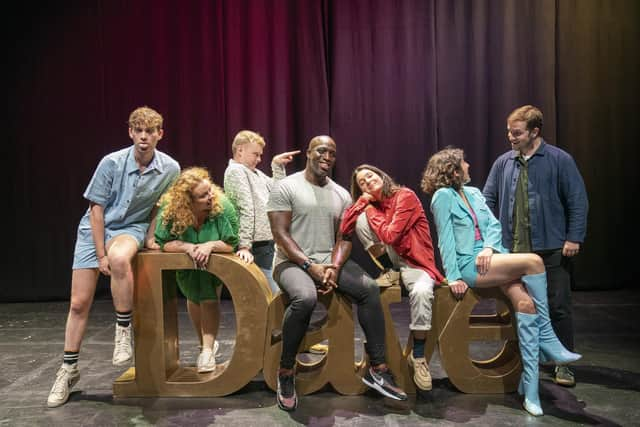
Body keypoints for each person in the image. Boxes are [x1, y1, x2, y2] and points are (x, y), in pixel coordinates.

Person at [421, 147, 581, 416]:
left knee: (525, 303)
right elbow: (445, 238)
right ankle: (548, 338)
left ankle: (530, 390)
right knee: (534, 262)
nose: (469, 165)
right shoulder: (442, 197)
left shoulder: (473, 193)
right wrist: (454, 276)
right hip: (469, 265)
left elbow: (494, 227)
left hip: (492, 259)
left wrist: (490, 249)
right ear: (453, 170)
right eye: (464, 162)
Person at [47, 106, 180, 408]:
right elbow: (96, 210)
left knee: (121, 259)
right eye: (139, 131)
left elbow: (161, 206)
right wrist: (99, 253)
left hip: (131, 227)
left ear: (160, 134)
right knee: (79, 303)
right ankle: (68, 370)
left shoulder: (170, 168)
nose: (144, 136)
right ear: (130, 132)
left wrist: (149, 236)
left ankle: (123, 330)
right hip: (95, 229)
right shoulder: (112, 162)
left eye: (150, 131)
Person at [266, 136, 408, 411]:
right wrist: (310, 266)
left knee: (368, 289)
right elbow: (280, 234)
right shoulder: (287, 186)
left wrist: (334, 268)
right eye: (321, 150)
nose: (327, 156)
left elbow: (345, 237)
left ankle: (378, 368)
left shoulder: (342, 194)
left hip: (328, 263)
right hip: (291, 263)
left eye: (332, 152)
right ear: (308, 153)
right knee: (305, 298)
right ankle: (286, 371)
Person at [483, 105, 589, 387]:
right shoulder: (504, 162)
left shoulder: (559, 160)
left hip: (551, 248)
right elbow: (487, 201)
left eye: (516, 132)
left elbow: (577, 199)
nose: (511, 137)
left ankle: (562, 364)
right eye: (509, 131)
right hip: (513, 252)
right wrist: (490, 241)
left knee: (558, 307)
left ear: (534, 131)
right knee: (519, 305)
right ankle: (526, 360)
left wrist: (573, 237)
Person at [339, 164, 444, 392]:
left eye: (370, 176)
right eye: (362, 183)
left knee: (422, 292)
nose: (367, 182)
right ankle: (389, 270)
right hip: (394, 260)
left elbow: (390, 235)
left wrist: (369, 210)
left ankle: (418, 357)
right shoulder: (370, 206)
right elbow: (345, 228)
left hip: (415, 262)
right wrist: (361, 204)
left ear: (381, 175)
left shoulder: (405, 196)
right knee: (359, 220)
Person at [155, 167, 238, 373]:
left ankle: (208, 351)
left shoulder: (222, 208)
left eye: (210, 191)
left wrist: (210, 245)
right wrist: (187, 247)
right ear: (188, 201)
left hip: (214, 262)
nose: (210, 197)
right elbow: (164, 242)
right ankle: (204, 345)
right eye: (203, 196)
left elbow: (231, 243)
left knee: (209, 297)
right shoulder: (171, 210)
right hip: (187, 263)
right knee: (193, 296)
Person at [223, 130, 300, 295]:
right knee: (269, 295)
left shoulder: (254, 173)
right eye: (255, 154)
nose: (259, 159)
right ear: (240, 150)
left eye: (260, 155)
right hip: (255, 244)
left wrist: (277, 166)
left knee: (273, 295)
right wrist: (244, 245)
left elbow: (278, 192)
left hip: (266, 242)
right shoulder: (236, 171)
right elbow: (246, 207)